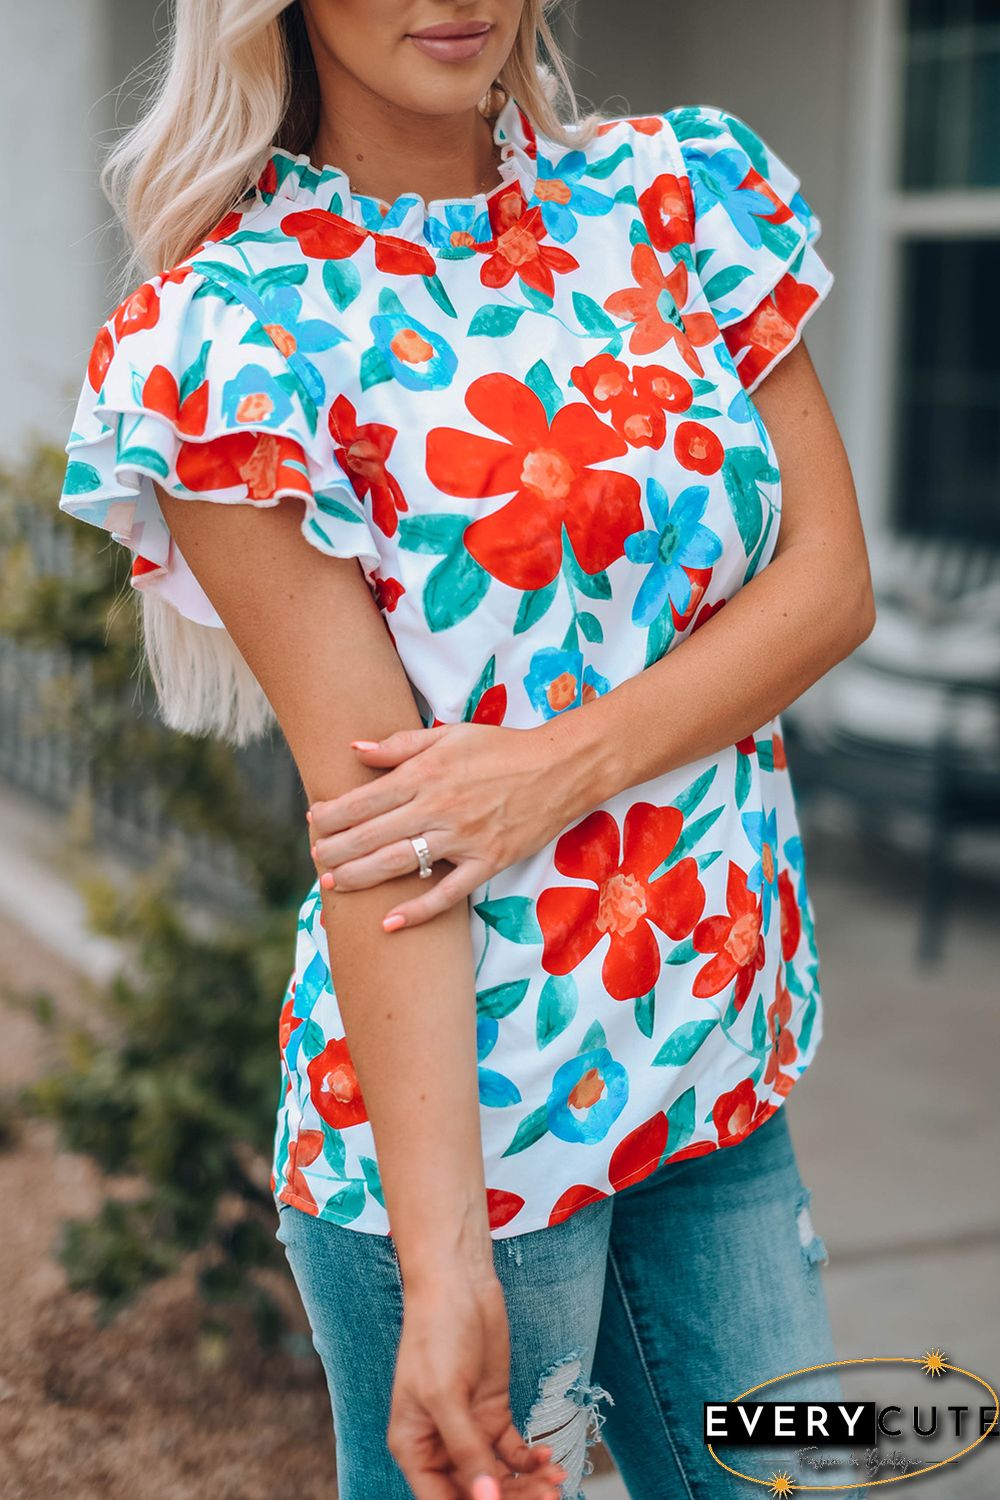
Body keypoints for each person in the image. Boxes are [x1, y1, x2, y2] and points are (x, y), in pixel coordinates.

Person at [57, 3, 876, 1497]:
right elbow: (385, 831)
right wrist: (443, 1270)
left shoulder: (684, 191)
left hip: (717, 1074)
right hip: (475, 1141)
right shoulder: (232, 335)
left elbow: (829, 583)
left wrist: (556, 767)